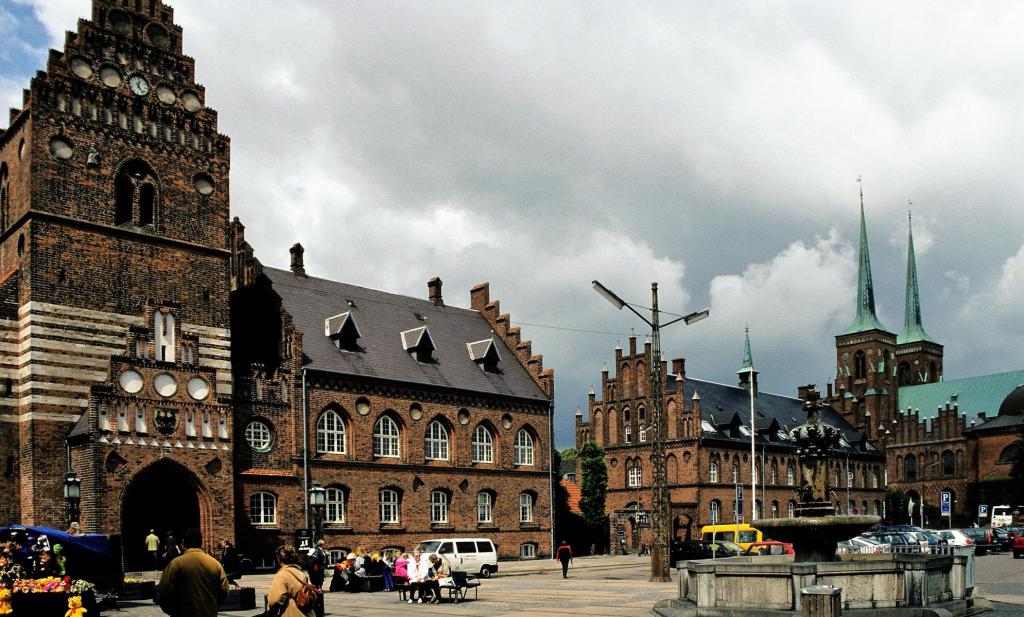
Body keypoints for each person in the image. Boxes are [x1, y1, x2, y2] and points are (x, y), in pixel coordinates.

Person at [157, 527, 229, 617]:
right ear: (201, 543)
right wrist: (211, 606)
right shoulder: (215, 564)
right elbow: (224, 591)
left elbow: (164, 592)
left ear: (183, 543)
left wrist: (173, 611)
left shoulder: (175, 564)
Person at [266, 544, 316, 617]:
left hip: (292, 613)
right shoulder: (300, 573)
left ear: (279, 559)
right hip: (307, 613)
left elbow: (275, 599)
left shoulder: (282, 574)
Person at [306, 540, 327, 617]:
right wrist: (319, 567)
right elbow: (316, 560)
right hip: (318, 570)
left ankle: (319, 589)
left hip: (321, 569)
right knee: (318, 581)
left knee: (321, 580)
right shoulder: (317, 551)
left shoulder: (322, 550)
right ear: (321, 544)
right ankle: (318, 590)